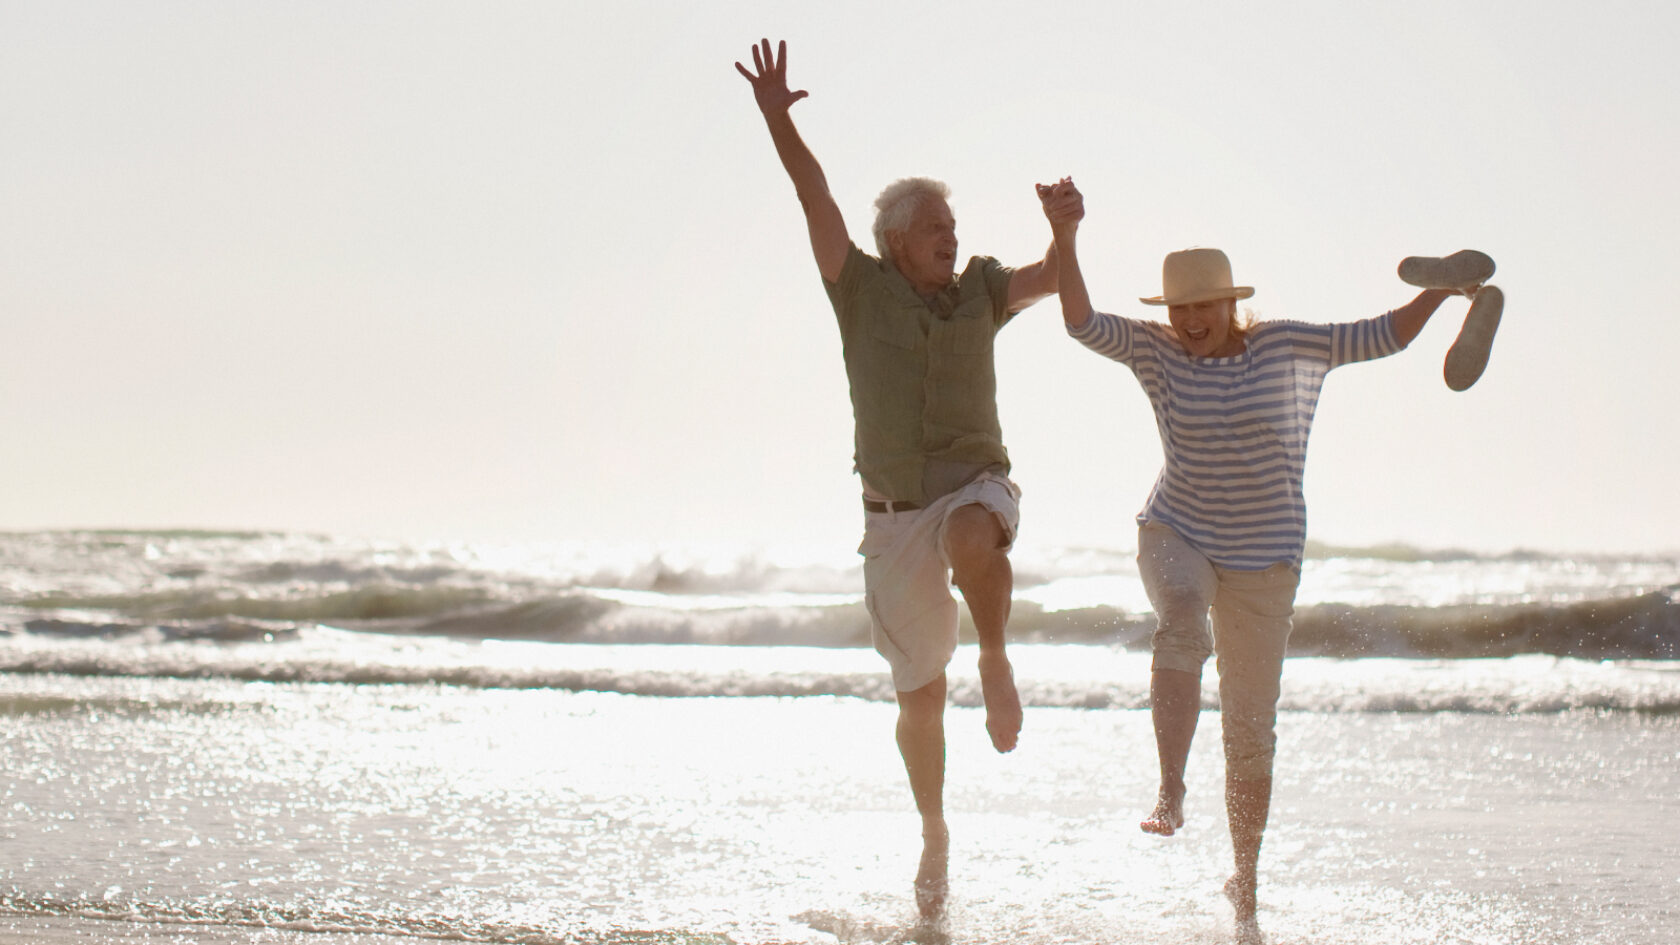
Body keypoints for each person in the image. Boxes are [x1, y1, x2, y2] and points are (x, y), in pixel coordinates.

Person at [1036, 176, 1501, 940]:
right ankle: (1170, 788)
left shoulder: (1287, 346)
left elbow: (1381, 334)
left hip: (1265, 556)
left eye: (1203, 308)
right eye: (1179, 308)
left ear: (1231, 305)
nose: (1189, 321)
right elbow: (1081, 321)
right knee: (1181, 624)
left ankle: (1244, 877)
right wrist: (1066, 236)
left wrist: (1444, 297)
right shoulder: (1154, 352)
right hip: (1178, 530)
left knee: (1251, 727)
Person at [735, 39, 1076, 919]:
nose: (950, 240)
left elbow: (1052, 280)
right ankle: (933, 827)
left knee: (974, 535)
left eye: (953, 230)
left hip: (974, 486)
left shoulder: (982, 291)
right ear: (895, 242)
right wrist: (780, 121)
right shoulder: (858, 288)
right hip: (891, 515)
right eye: (935, 230)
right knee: (920, 702)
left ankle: (996, 657)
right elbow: (815, 197)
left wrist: (1065, 234)